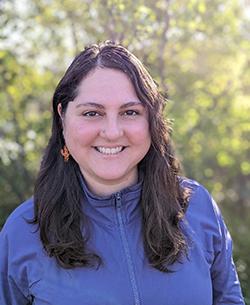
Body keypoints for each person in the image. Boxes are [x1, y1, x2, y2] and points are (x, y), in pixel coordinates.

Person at [0, 41, 245, 305]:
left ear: (151, 119)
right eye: (92, 113)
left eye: (130, 112)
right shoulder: (23, 231)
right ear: (62, 117)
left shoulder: (199, 208)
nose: (113, 132)